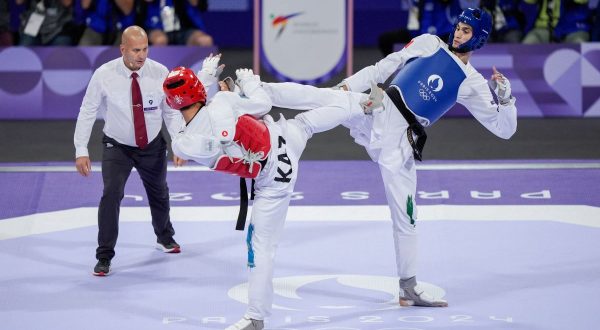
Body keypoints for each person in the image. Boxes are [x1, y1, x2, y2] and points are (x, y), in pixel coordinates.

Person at [262, 7, 517, 308]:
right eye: (458, 27)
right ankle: (257, 93)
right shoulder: (429, 43)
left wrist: (504, 97)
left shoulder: (471, 82)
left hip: (402, 143)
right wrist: (347, 86)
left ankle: (408, 286)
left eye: (466, 31)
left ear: (480, 38)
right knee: (326, 97)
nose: (458, 34)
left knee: (407, 218)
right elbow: (384, 66)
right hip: (378, 108)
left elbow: (505, 129)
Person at [162, 55, 366, 330]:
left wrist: (207, 81)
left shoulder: (183, 144)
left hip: (274, 177)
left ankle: (256, 317)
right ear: (198, 90)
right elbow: (262, 104)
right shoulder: (222, 103)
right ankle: (365, 104)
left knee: (260, 248)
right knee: (306, 122)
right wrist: (249, 82)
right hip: (281, 139)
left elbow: (196, 126)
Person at [74, 25, 185, 277]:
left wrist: (180, 142)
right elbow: (88, 110)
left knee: (159, 193)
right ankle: (104, 256)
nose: (141, 55)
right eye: (136, 50)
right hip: (118, 146)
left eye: (145, 49)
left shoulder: (160, 73)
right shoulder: (104, 75)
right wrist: (81, 149)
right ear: (123, 49)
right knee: (111, 195)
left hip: (152, 146)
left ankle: (165, 237)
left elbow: (170, 111)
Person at [522, 0, 591, 43]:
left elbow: (582, 0)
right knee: (529, 43)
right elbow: (528, 1)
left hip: (573, 27)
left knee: (579, 43)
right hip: (542, 28)